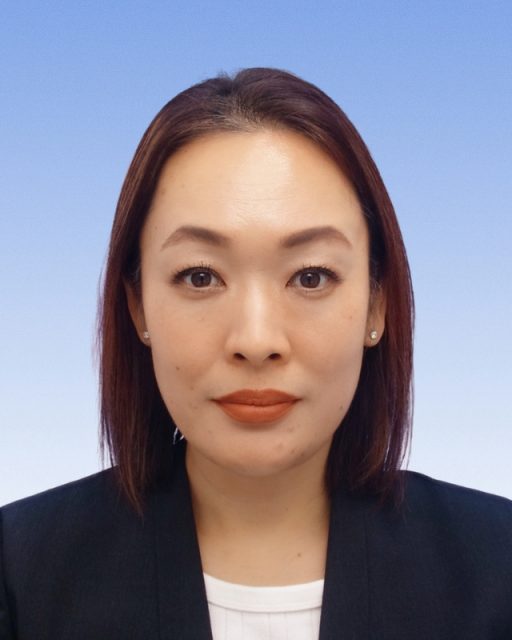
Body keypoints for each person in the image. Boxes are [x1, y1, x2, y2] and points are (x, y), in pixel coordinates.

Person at [1, 67, 511, 640]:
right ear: (138, 307)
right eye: (200, 276)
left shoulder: (498, 570)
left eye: (311, 276)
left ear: (377, 306)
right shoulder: (19, 579)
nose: (256, 340)